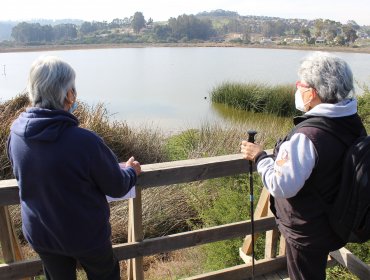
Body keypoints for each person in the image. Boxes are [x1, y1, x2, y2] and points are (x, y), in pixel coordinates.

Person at [7, 56, 141, 280]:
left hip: (42, 235)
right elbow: (116, 186)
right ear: (68, 94)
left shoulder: (16, 134)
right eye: (73, 88)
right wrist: (131, 172)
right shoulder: (84, 141)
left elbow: (23, 175)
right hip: (87, 237)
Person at [240, 52, 367, 280]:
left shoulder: (307, 137)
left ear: (313, 93)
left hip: (307, 230)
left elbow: (281, 185)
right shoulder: (351, 120)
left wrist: (260, 157)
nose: (297, 89)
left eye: (300, 85)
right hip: (333, 222)